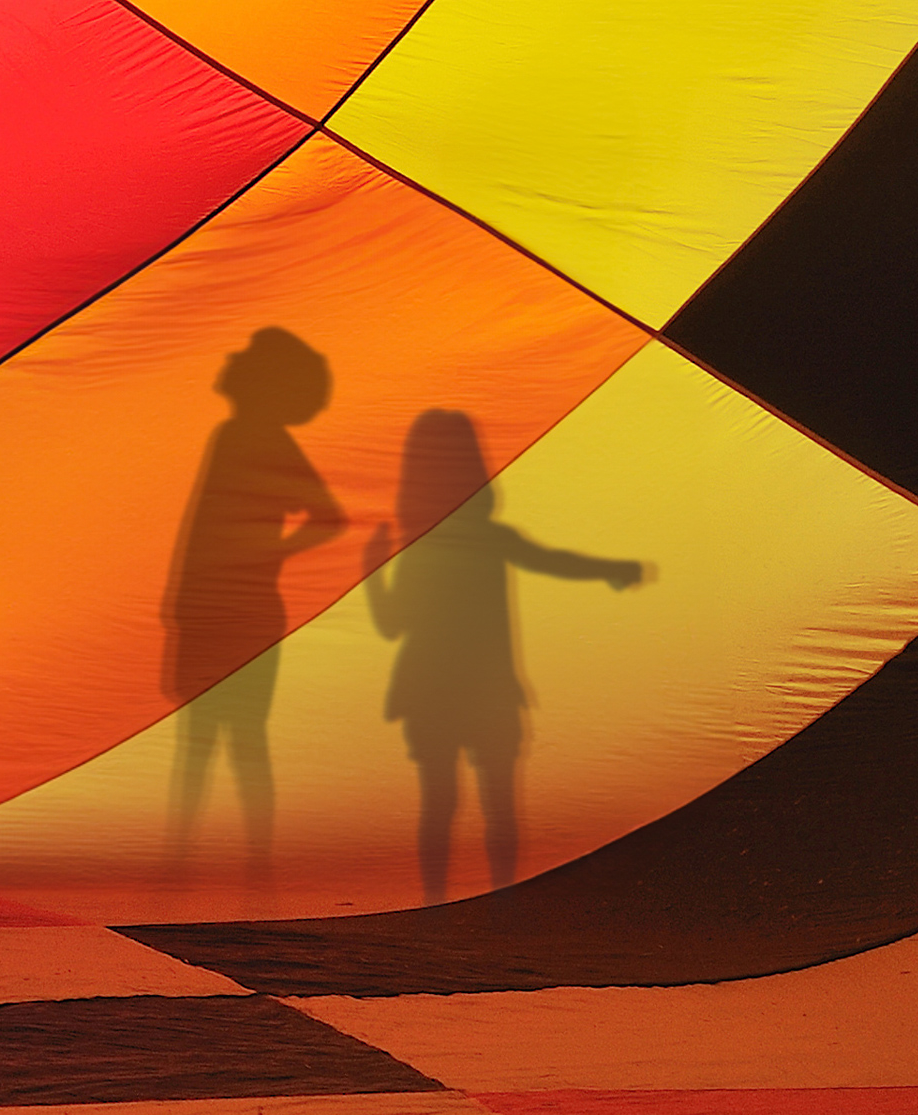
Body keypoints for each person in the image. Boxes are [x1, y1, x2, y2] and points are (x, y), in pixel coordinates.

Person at [363, 408, 644, 904]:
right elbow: (555, 561)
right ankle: (499, 899)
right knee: (496, 802)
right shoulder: (488, 539)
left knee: (442, 802)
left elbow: (390, 624)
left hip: (434, 696)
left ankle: (437, 901)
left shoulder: (420, 547)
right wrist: (612, 568)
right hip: (487, 692)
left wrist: (372, 570)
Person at [163, 327, 343, 886]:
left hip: (238, 608)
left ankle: (230, 861)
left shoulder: (256, 438)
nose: (229, 357)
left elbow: (327, 516)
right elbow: (202, 526)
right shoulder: (237, 435)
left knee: (227, 739)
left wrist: (263, 554)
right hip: (216, 604)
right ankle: (210, 859)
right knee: (217, 738)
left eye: (243, 356)